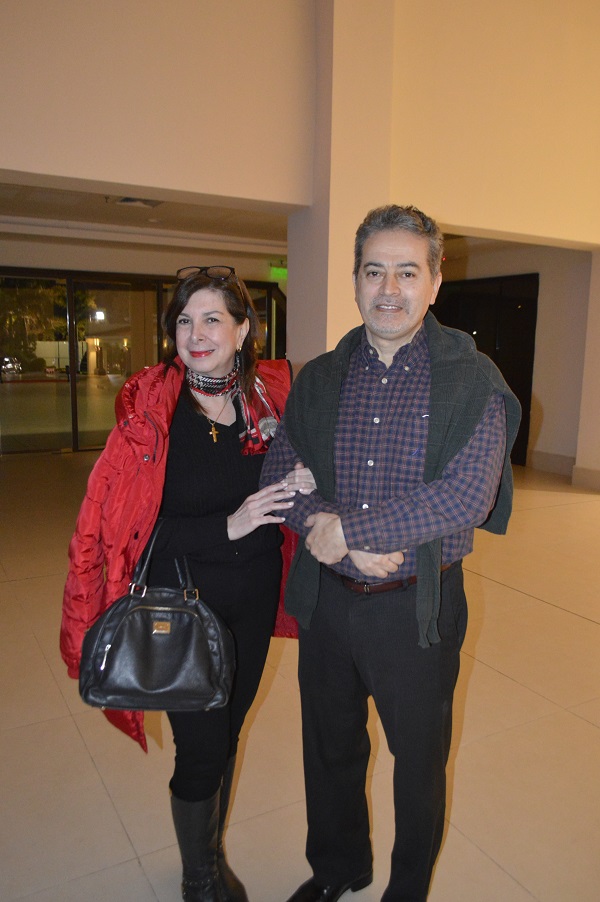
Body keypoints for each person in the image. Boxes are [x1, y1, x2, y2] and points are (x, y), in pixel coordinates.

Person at [260, 205, 522, 901]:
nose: (389, 289)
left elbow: (465, 496)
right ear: (355, 280)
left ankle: (406, 890)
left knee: (419, 763)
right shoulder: (320, 378)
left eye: (408, 272)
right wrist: (324, 526)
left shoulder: (471, 379)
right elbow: (279, 475)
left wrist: (349, 532)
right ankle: (338, 868)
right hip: (328, 607)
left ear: (434, 282)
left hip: (417, 610)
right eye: (374, 271)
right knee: (329, 749)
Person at [60, 265, 312, 902]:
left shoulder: (268, 404)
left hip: (254, 596)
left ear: (243, 331)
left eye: (212, 319)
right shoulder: (153, 416)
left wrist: (305, 481)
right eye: (184, 321)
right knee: (200, 748)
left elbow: (290, 489)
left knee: (228, 732)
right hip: (182, 605)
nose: (196, 334)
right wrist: (229, 525)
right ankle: (198, 877)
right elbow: (129, 530)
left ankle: (210, 849)